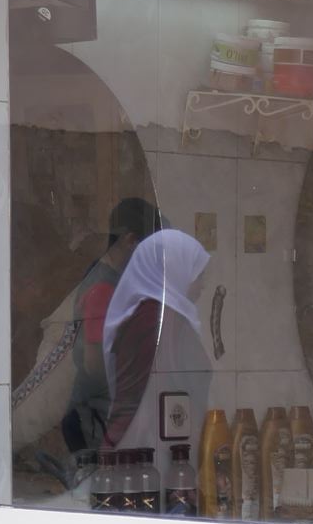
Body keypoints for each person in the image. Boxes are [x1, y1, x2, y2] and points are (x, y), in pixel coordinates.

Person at [63, 197, 163, 458]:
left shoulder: (103, 274)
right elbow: (94, 365)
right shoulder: (103, 290)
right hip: (92, 419)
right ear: (130, 241)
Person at [103, 230, 212, 467]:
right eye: (198, 275)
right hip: (152, 450)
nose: (202, 285)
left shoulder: (143, 314)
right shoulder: (164, 320)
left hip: (130, 441)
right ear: (176, 272)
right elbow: (183, 383)